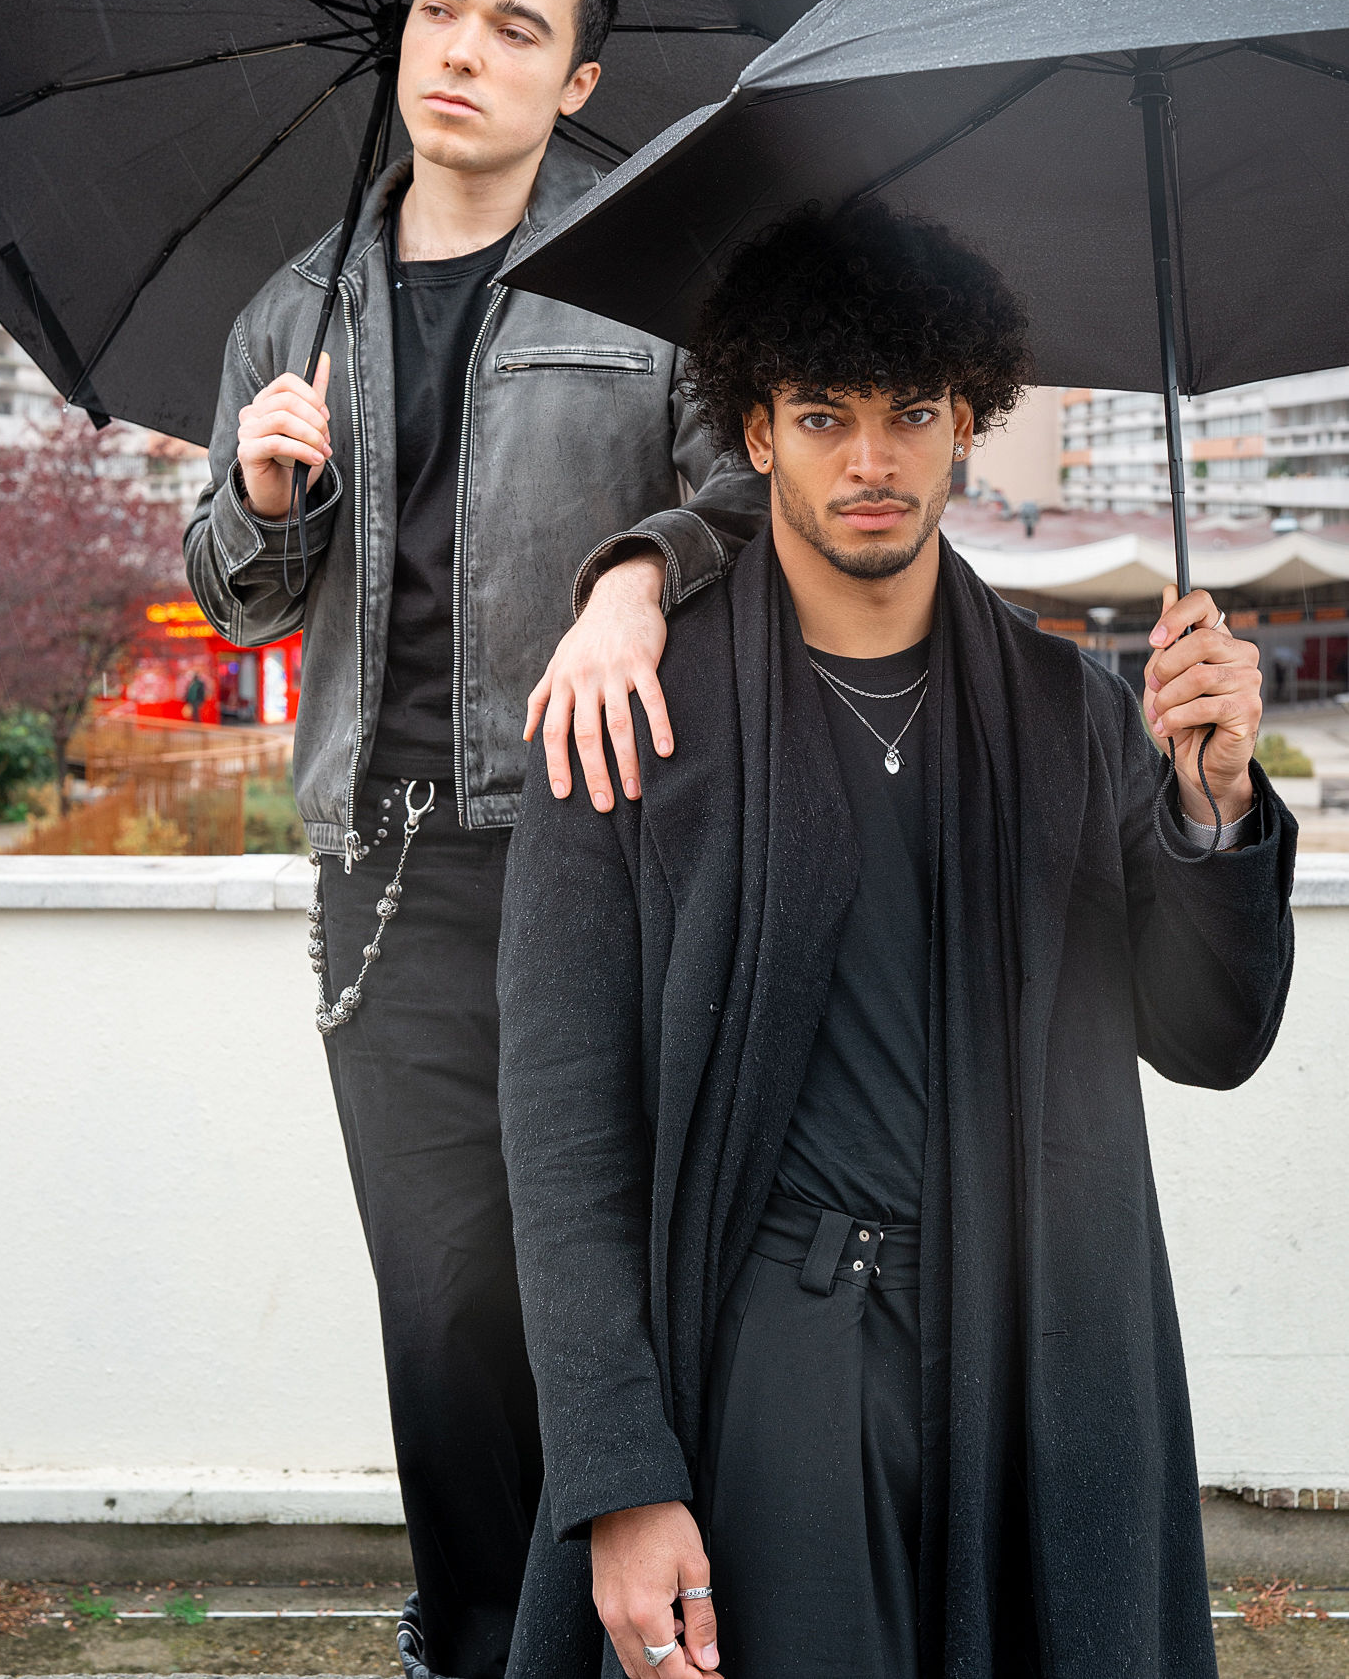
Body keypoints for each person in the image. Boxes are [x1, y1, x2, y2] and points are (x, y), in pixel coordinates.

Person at [497, 201, 1297, 1679]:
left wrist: (1212, 803)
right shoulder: (631, 714)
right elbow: (561, 1134)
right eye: (825, 415)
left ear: (967, 422)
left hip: (1036, 1353)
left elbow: (1213, 1035)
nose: (871, 460)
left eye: (911, 413)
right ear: (757, 430)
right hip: (771, 1360)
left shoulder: (1072, 716)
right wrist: (619, 1471)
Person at [184, 0, 766, 1679]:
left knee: (606, 1281)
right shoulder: (293, 309)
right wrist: (265, 496)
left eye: (517, 27)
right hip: (388, 872)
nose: (464, 49)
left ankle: (637, 1630)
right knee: (440, 1303)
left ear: (576, 75)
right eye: (440, 9)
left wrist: (640, 568)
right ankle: (476, 1638)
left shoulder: (649, 278)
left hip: (604, 842)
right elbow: (234, 593)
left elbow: (745, 494)